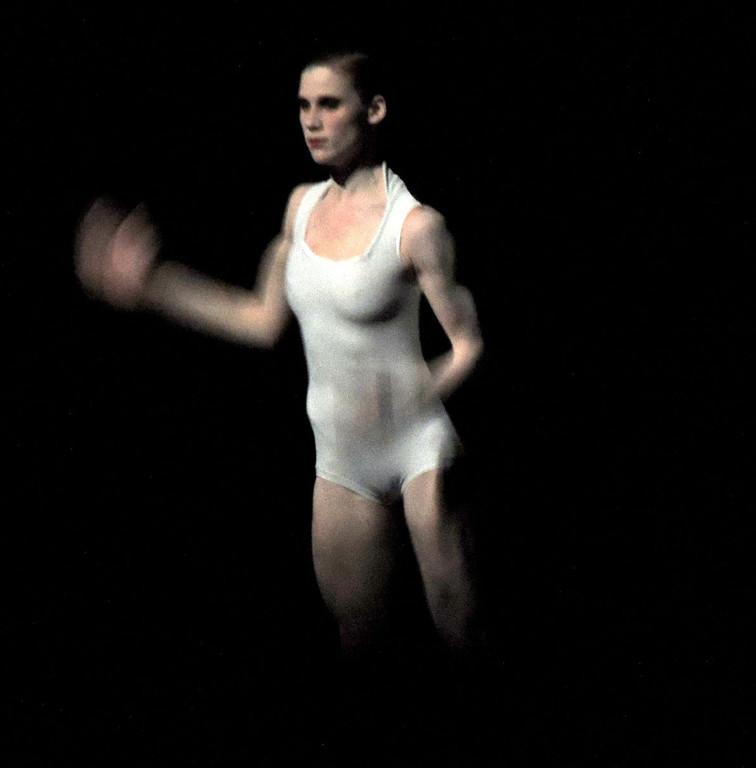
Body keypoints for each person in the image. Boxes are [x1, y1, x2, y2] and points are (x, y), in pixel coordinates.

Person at [75, 50, 486, 660]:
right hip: (341, 457)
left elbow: (469, 345)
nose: (311, 121)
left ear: (373, 110)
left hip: (417, 444)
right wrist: (157, 286)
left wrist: (417, 391)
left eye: (329, 105)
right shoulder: (301, 207)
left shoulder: (417, 226)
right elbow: (261, 319)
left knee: (460, 628)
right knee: (360, 640)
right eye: (302, 106)